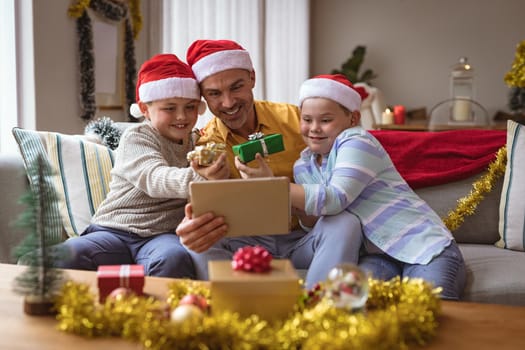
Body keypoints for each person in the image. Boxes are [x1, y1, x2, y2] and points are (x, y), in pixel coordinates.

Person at [176, 39, 363, 289]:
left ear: (252, 78)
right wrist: (194, 221)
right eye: (214, 94)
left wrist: (274, 187)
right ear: (203, 96)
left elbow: (343, 172)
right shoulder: (204, 145)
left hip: (303, 237)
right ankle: (237, 313)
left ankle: (320, 308)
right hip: (242, 243)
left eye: (237, 87)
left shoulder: (297, 120)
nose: (229, 102)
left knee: (346, 222)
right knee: (196, 241)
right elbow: (199, 210)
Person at [289, 74, 466, 299]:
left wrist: (277, 188)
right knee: (348, 305)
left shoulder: (356, 141)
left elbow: (335, 198)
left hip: (423, 247)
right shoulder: (303, 166)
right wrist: (297, 209)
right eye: (307, 119)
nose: (314, 128)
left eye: (325, 120)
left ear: (353, 119)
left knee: (427, 310)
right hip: (376, 257)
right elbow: (317, 221)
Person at [58, 53, 229, 278]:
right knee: (64, 255)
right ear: (145, 109)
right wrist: (201, 178)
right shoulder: (137, 137)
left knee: (173, 259)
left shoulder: (198, 142)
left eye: (190, 107)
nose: (182, 116)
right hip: (113, 230)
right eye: (169, 108)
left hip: (161, 236)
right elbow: (153, 177)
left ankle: (156, 312)